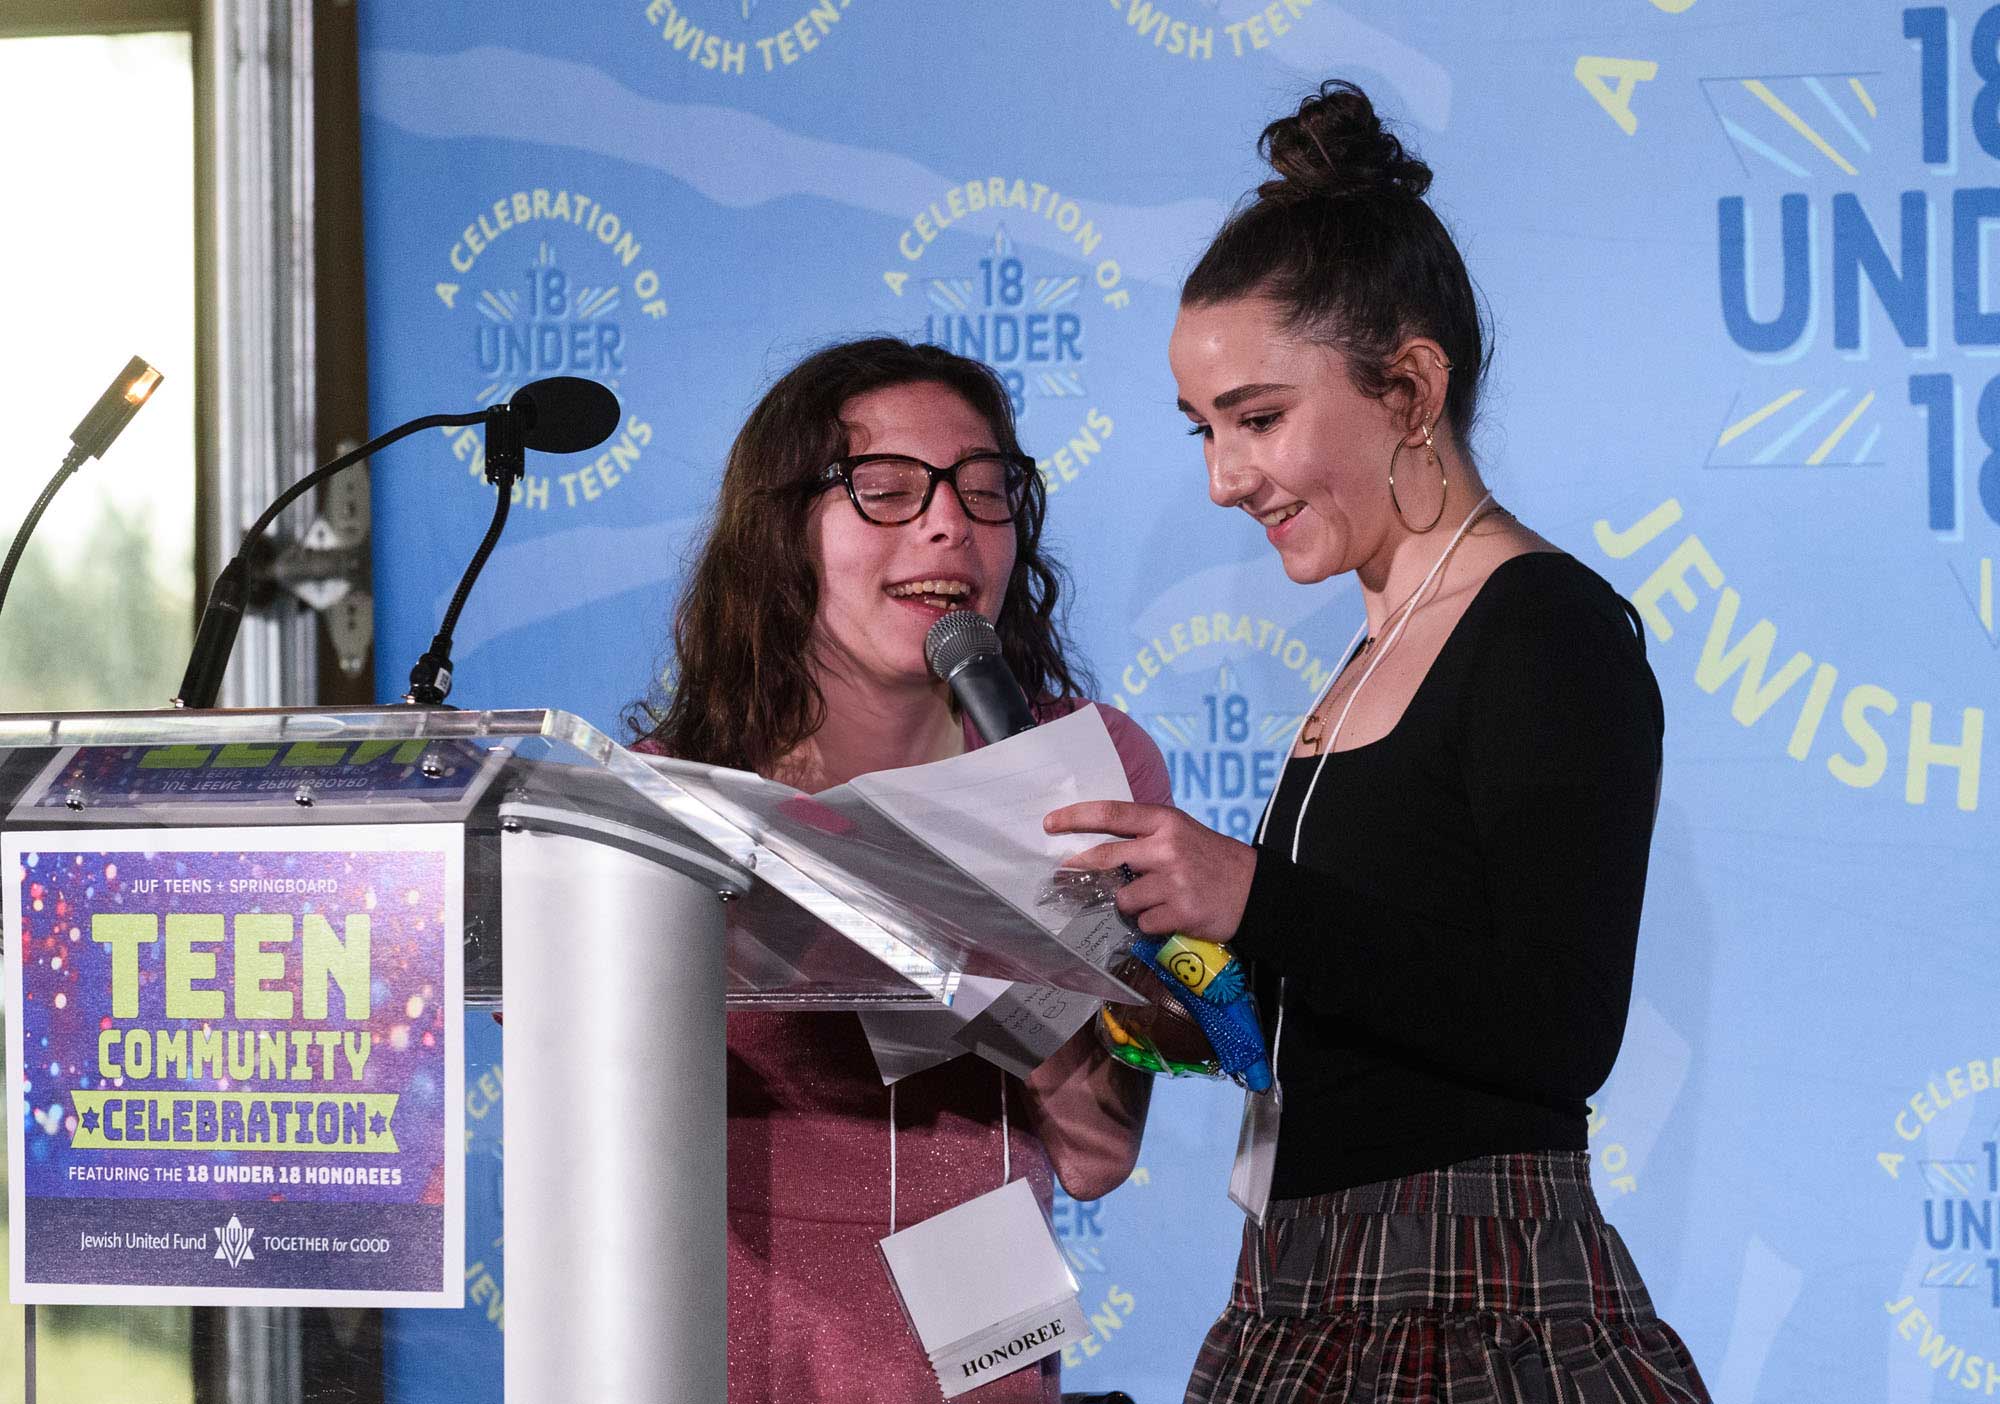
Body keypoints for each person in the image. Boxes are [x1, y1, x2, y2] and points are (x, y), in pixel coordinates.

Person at [1044, 82, 1713, 1403]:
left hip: (1472, 1303)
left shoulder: (1547, 632)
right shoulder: (1368, 652)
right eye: (1206, 432)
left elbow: (1556, 1027)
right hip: (1306, 1285)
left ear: (1411, 386)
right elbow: (1369, 1000)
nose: (1226, 478)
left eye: (1258, 418)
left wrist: (1250, 892)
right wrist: (1160, 1006)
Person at [632, 336, 1168, 1404]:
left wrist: (1018, 964)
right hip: (725, 1285)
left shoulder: (1086, 765)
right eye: (884, 490)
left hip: (982, 1273)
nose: (946, 525)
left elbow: (1098, 1152)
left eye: (984, 492)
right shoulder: (671, 792)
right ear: (785, 531)